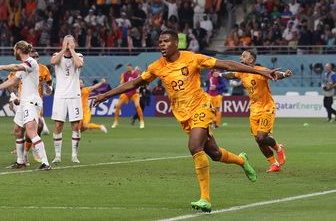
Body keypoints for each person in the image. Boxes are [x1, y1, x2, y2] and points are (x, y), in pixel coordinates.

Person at [91, 30, 278, 213]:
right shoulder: (157, 66)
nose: (161, 45)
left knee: (194, 146)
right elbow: (134, 83)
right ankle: (241, 160)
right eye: (160, 42)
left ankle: (205, 198)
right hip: (183, 115)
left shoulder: (192, 58)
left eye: (165, 41)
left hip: (202, 107)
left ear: (175, 43)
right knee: (213, 153)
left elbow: (227, 65)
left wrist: (261, 72)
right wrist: (106, 95)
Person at [216, 50, 291, 172]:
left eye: (244, 56)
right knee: (258, 140)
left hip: (267, 107)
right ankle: (274, 164)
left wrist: (284, 74)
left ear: (251, 60)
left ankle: (278, 147)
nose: (241, 57)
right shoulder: (242, 72)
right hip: (254, 109)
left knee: (261, 137)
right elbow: (231, 74)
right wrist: (219, 75)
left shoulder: (259, 70)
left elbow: (273, 74)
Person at [0, 41, 51, 170]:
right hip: (24, 101)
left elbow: (15, 67)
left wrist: (2, 67)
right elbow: (13, 81)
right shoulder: (24, 66)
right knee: (18, 131)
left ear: (18, 50)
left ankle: (45, 163)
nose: (14, 52)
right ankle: (20, 162)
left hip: (31, 101)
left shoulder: (31, 62)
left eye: (14, 49)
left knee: (31, 131)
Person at [50, 35, 84, 164]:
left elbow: (79, 64)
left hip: (74, 95)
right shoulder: (57, 55)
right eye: (66, 41)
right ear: (62, 43)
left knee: (75, 125)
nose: (68, 43)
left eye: (71, 42)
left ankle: (74, 155)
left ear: (75, 44)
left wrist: (72, 50)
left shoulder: (79, 56)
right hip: (60, 95)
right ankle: (57, 155)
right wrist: (64, 49)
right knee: (58, 124)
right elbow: (53, 62)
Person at [112, 63, 145, 129]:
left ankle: (142, 122)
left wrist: (138, 89)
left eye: (129, 67)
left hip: (134, 93)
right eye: (127, 68)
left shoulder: (136, 74)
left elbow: (139, 83)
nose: (128, 69)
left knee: (137, 106)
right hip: (126, 93)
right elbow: (122, 83)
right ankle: (115, 122)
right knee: (118, 105)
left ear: (132, 68)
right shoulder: (124, 75)